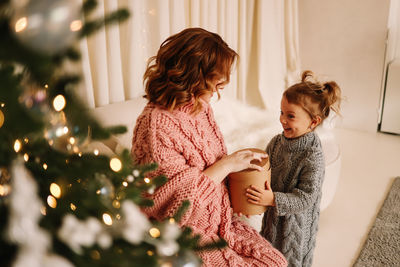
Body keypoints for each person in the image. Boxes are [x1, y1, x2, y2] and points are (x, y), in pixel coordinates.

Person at [131, 28, 287, 266]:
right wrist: (227, 165)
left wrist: (238, 193)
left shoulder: (199, 107)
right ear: (194, 75)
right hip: (182, 235)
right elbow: (173, 205)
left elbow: (211, 167)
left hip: (220, 222)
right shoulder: (156, 126)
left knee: (276, 262)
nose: (219, 86)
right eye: (216, 79)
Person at [246, 70, 341, 267]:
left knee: (290, 262)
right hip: (272, 221)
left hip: (296, 230)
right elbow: (265, 171)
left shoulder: (312, 155)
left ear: (313, 122)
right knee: (269, 255)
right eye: (281, 112)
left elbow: (306, 198)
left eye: (290, 116)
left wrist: (272, 199)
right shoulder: (276, 142)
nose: (282, 120)